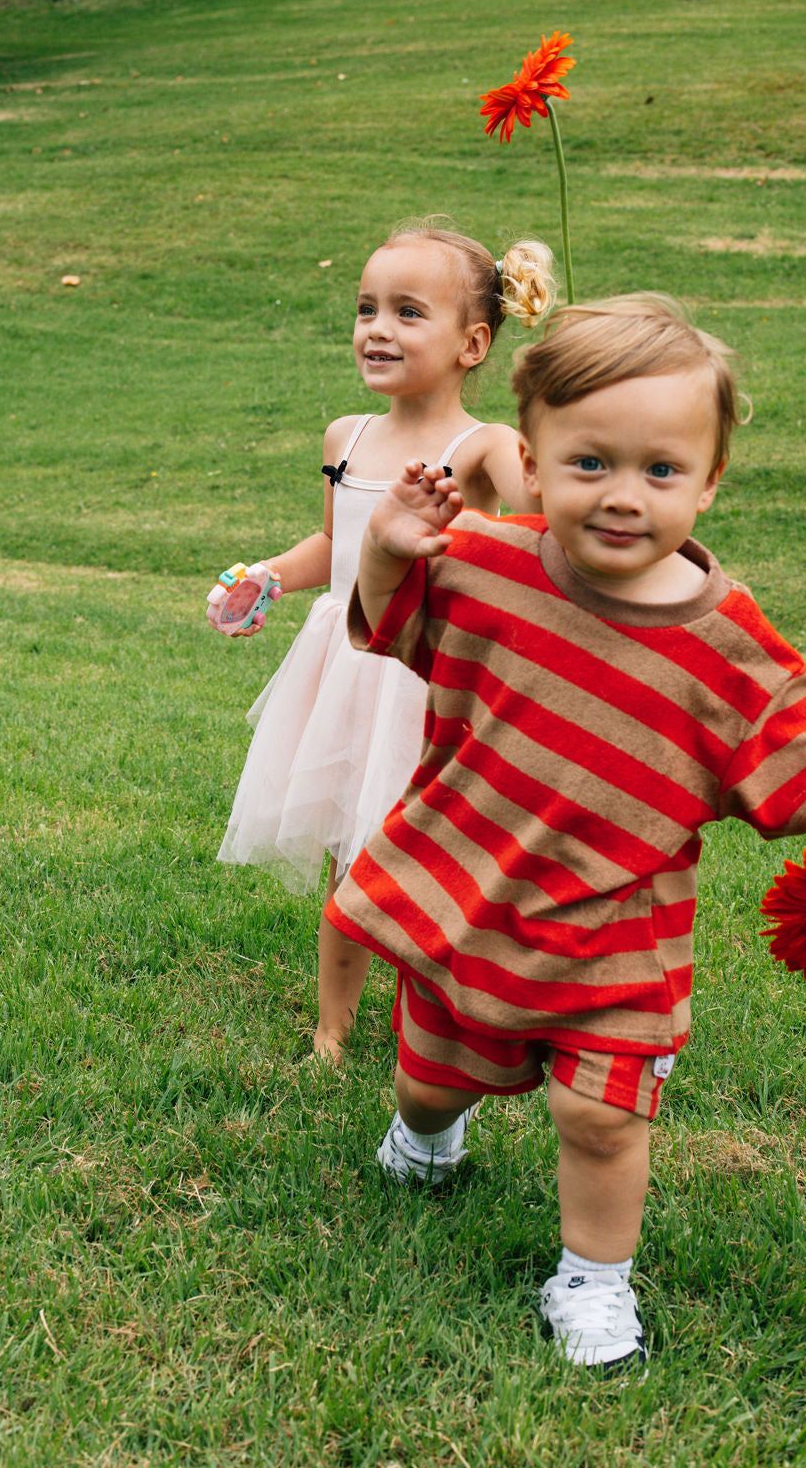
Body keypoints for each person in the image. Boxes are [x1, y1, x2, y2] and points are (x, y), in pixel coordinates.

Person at [328, 295, 806, 1369]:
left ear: (708, 481)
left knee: (601, 1117)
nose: (622, 495)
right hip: (470, 902)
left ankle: (593, 1277)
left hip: (615, 939)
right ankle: (425, 1132)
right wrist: (386, 547)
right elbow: (389, 624)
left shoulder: (730, 649)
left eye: (660, 470)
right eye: (589, 463)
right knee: (431, 1073)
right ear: (531, 456)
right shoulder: (487, 568)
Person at [214, 221, 555, 1060]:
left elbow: (541, 509)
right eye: (367, 308)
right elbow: (335, 546)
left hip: (427, 671)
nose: (377, 328)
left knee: (436, 857)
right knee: (351, 851)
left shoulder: (482, 447)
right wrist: (266, 574)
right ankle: (333, 1026)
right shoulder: (346, 437)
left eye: (408, 312)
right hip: (346, 663)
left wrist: (557, 428)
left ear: (473, 342)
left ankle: (445, 1024)